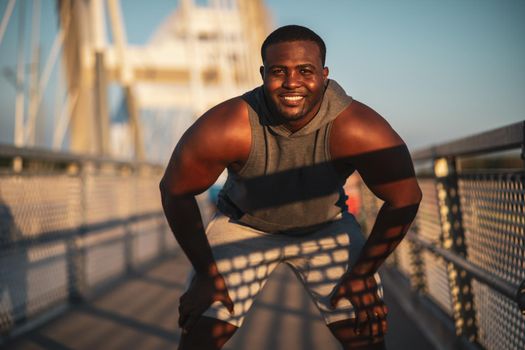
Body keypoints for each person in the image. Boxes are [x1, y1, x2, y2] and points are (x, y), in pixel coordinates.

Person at [160, 25, 422, 350]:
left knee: (365, 329)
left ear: (325, 75)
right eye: (279, 71)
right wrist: (206, 273)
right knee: (200, 331)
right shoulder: (230, 125)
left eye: (305, 71)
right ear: (263, 73)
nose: (292, 82)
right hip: (244, 223)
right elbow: (174, 190)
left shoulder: (355, 127)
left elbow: (406, 197)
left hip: (325, 225)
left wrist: (364, 273)